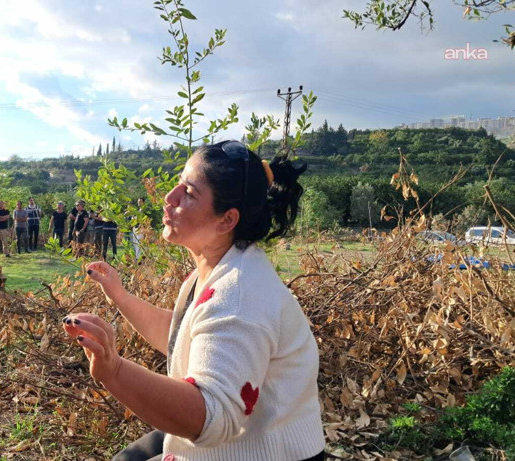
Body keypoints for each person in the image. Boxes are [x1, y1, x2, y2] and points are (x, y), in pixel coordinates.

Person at [62, 141, 324, 460]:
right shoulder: (221, 267)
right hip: (242, 441)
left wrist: (114, 370)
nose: (169, 198)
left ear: (227, 220)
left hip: (265, 451)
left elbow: (210, 417)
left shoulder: (239, 293)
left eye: (188, 192)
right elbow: (184, 339)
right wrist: (120, 296)